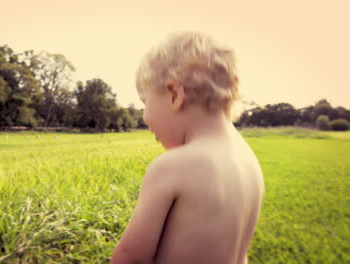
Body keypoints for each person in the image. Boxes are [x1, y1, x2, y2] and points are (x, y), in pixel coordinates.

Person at [110, 32, 265, 264]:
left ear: (174, 94)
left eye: (145, 102)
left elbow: (129, 257)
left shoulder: (173, 166)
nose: (144, 118)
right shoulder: (250, 162)